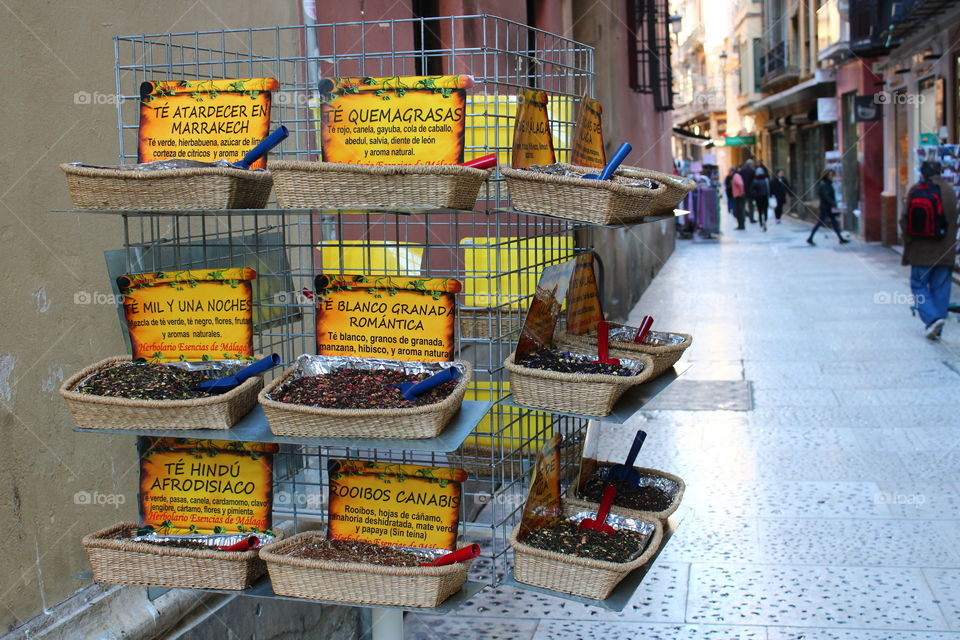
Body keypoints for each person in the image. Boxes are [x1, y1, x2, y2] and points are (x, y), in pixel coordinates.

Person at [901, 160, 959, 339]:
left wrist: (908, 240)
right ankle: (938, 324)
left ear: (923, 173)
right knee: (941, 287)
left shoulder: (916, 189)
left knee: (918, 284)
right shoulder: (950, 191)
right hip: (945, 249)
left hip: (920, 249)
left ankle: (932, 319)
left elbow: (904, 218)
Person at [807, 169, 850, 245]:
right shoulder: (824, 185)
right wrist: (834, 203)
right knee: (820, 223)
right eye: (830, 175)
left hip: (830, 207)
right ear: (826, 176)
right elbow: (826, 196)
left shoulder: (828, 184)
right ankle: (810, 238)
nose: (832, 177)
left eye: (832, 175)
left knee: (834, 223)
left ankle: (840, 238)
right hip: (825, 208)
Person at [751, 166, 771, 231]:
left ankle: (761, 222)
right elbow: (768, 189)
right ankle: (764, 221)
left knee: (760, 211)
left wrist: (755, 195)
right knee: (765, 210)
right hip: (765, 197)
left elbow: (752, 190)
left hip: (758, 198)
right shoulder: (766, 180)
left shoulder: (755, 181)